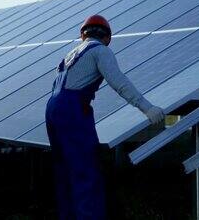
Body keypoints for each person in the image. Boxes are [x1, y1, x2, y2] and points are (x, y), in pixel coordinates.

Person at [45, 14, 165, 220]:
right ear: (107, 38)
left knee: (64, 170)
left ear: (83, 35)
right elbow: (119, 82)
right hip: (72, 110)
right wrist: (147, 108)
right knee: (85, 171)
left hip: (53, 108)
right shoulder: (101, 51)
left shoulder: (70, 54)